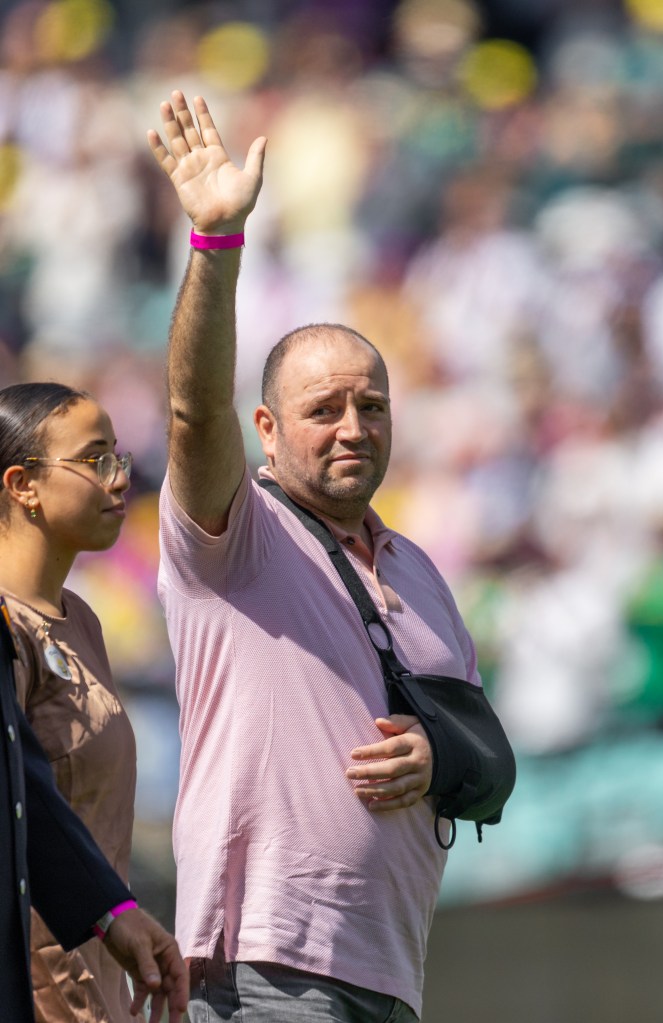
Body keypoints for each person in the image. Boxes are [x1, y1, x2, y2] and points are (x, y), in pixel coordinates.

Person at [148, 91, 482, 1022]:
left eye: (370, 406)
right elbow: (190, 410)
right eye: (323, 408)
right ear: (266, 429)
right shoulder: (236, 530)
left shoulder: (418, 570)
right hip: (264, 966)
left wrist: (434, 755)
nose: (352, 427)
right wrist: (217, 244)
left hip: (390, 970)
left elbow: (484, 748)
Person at [0, 381, 147, 1022]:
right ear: (22, 484)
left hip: (103, 974)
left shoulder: (81, 620)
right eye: (94, 460)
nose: (118, 479)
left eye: (118, 457)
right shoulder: (6, 627)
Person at [0, 602, 188, 1023]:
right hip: (49, 978)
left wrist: (114, 913)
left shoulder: (82, 619)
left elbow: (29, 789)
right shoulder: (12, 621)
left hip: (106, 959)